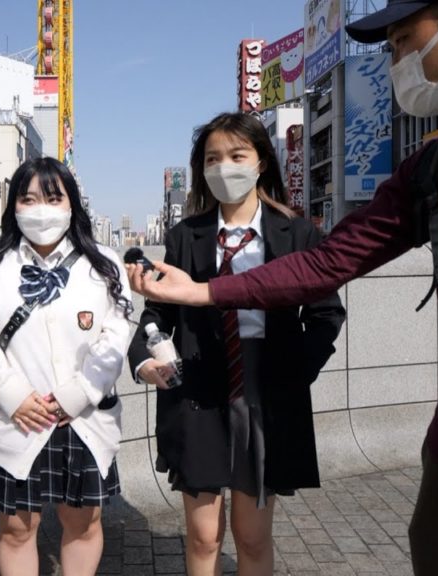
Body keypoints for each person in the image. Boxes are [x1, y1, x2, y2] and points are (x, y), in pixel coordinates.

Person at [128, 1, 438, 574]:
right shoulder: (435, 166)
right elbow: (329, 262)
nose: (394, 60)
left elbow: (322, 305)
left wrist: (287, 371)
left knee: (252, 537)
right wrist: (202, 294)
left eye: (401, 40)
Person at [128, 112, 345, 576]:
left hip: (266, 395)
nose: (224, 166)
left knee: (252, 535)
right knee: (204, 537)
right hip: (199, 391)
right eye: (213, 158)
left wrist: (293, 372)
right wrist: (144, 361)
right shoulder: (185, 236)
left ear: (262, 161)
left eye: (236, 155)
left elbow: (326, 314)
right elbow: (158, 313)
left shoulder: (298, 234)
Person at [0, 157, 132, 576]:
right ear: (13, 206)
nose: (41, 208)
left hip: (83, 420)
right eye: (28, 198)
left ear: (72, 203)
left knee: (83, 524)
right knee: (16, 529)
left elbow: (116, 334)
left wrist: (79, 393)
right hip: (17, 421)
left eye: (53, 197)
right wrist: (12, 394)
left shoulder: (104, 263)